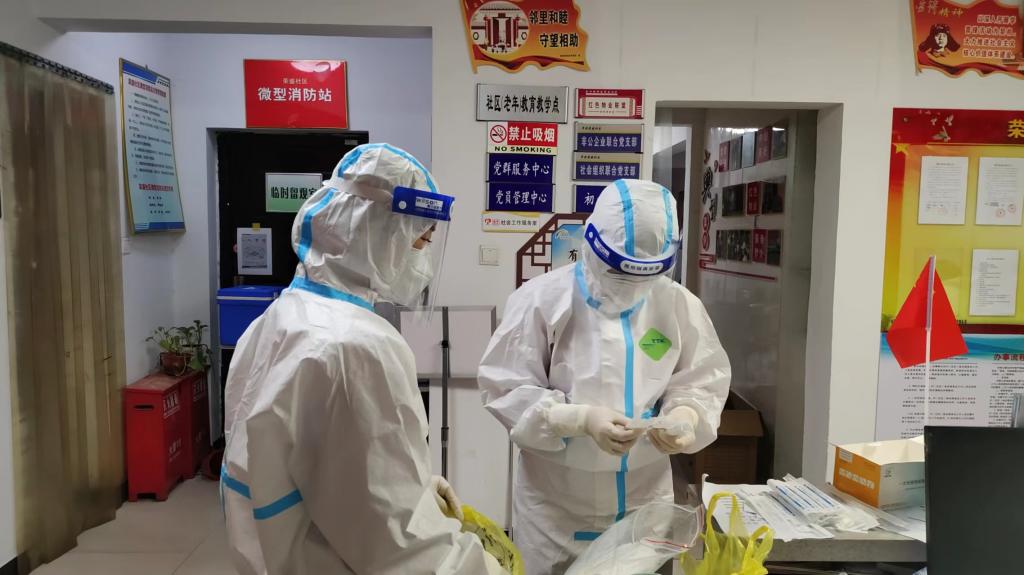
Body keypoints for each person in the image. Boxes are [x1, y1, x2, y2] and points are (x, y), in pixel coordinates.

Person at [221, 143, 506, 575]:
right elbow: (400, 545)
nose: (424, 261)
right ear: (378, 230)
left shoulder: (281, 316)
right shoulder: (357, 347)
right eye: (421, 240)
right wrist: (482, 567)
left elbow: (309, 461)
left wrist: (412, 484)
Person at [478, 179, 731, 574]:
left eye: (644, 275)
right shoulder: (542, 299)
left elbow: (702, 378)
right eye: (619, 271)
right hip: (556, 510)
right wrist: (579, 419)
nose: (629, 286)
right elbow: (504, 386)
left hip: (644, 506)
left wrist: (686, 415)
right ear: (591, 244)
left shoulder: (677, 304)